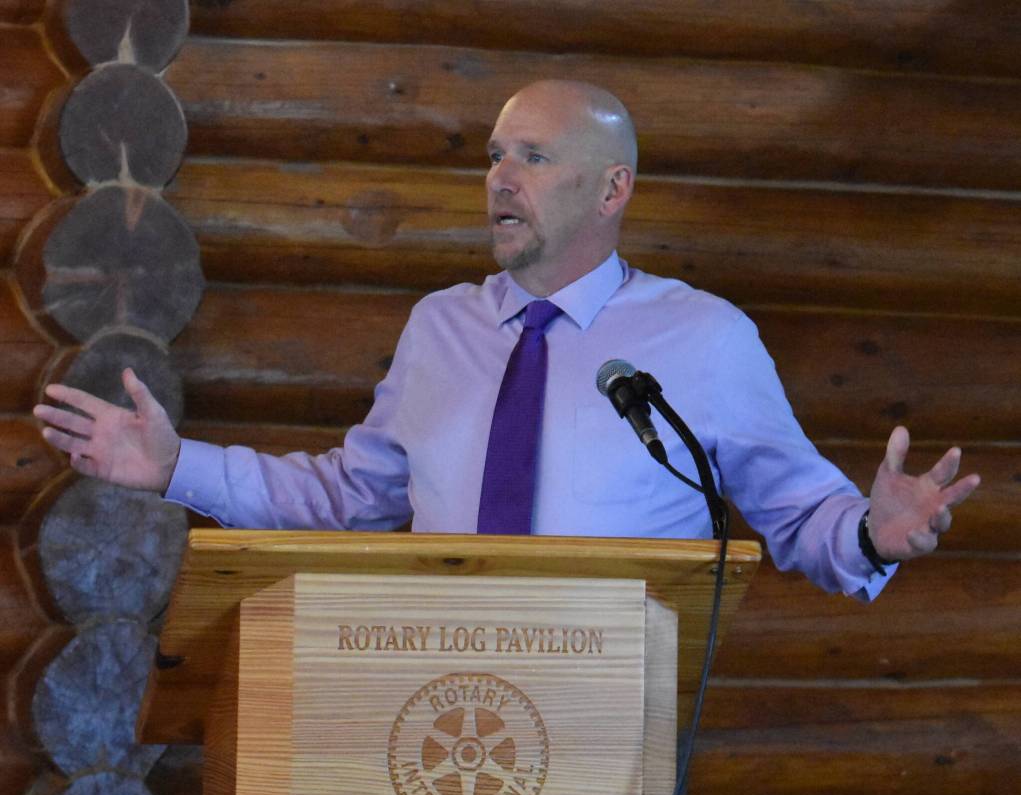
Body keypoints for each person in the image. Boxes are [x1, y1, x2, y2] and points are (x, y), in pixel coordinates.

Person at [34, 80, 979, 600]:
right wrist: (175, 467)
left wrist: (870, 530)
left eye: (533, 156)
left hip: (613, 711)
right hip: (445, 692)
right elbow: (351, 498)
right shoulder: (439, 326)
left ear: (611, 190)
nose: (500, 177)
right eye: (493, 153)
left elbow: (798, 513)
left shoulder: (703, 337)